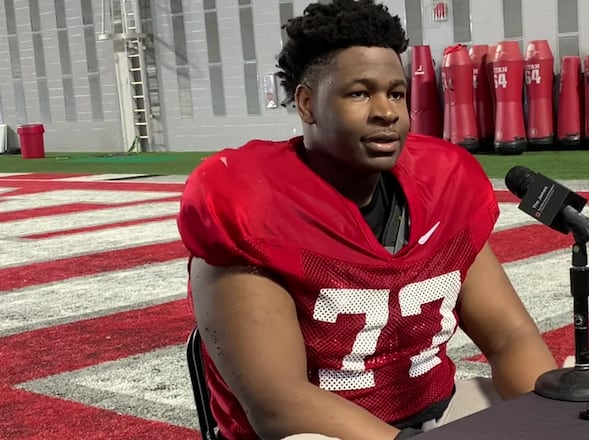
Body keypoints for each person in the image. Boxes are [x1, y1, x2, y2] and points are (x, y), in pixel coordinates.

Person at [177, 1, 557, 439]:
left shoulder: (443, 186)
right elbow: (278, 405)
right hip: (319, 433)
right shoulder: (251, 205)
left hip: (439, 411)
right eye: (359, 93)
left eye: (396, 93)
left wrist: (554, 420)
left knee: (569, 400)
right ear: (307, 103)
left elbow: (510, 337)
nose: (386, 112)